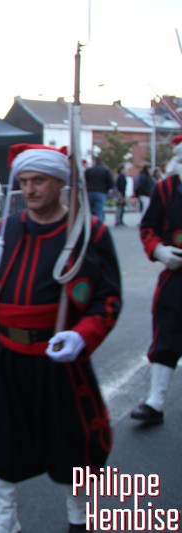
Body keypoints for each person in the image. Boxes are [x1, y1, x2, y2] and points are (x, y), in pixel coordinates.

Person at [0, 144, 121, 533]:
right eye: (25, 181)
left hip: (59, 358)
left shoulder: (88, 231)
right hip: (7, 356)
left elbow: (109, 298)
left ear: (60, 183)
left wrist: (82, 336)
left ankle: (79, 516)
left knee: (73, 443)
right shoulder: (5, 229)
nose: (29, 190)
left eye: (39, 181)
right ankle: (5, 519)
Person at [130, 134, 182, 424]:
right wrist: (158, 250)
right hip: (176, 276)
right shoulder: (166, 189)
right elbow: (148, 227)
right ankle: (155, 402)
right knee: (167, 333)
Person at [84, 157, 114, 222]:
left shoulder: (89, 170)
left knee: (89, 211)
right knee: (99, 211)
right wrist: (106, 189)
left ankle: (90, 224)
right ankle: (98, 225)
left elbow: (84, 181)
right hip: (100, 192)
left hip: (89, 192)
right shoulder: (106, 171)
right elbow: (110, 182)